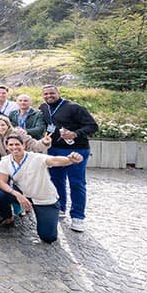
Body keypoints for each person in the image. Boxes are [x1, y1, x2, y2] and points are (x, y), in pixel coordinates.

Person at [0, 134, 85, 243]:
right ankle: (8, 217)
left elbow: (55, 160)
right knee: (1, 194)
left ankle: (50, 215)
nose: (14, 147)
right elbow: (1, 182)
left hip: (44, 198)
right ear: (7, 147)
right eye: (11, 145)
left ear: (23, 145)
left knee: (48, 237)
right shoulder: (5, 161)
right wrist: (17, 194)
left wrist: (70, 160)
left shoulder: (36, 157)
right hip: (23, 194)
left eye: (17, 144)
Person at [40, 84, 98, 232]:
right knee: (56, 179)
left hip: (77, 149)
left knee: (76, 182)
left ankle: (78, 217)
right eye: (45, 94)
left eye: (51, 93)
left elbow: (93, 126)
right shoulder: (44, 108)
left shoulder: (74, 107)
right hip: (55, 149)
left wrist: (75, 133)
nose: (48, 96)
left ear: (58, 93)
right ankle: (60, 207)